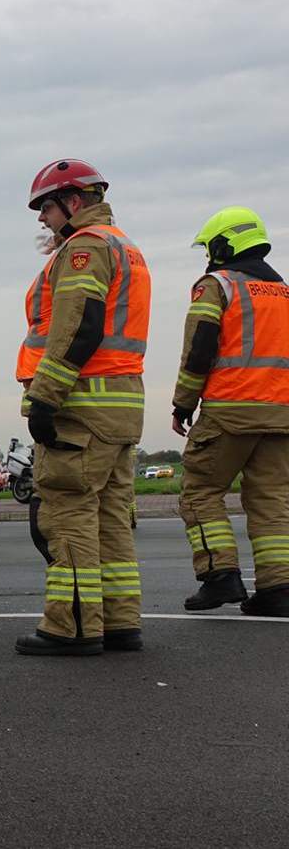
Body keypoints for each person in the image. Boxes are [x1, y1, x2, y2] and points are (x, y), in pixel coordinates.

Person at [13, 159, 150, 655]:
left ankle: (69, 627)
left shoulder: (84, 249)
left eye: (46, 207)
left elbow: (77, 328)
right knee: (111, 519)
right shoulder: (125, 247)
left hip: (80, 406)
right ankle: (118, 622)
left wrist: (44, 399)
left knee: (67, 514)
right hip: (121, 406)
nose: (42, 219)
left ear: (72, 202)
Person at [172, 207, 289, 617]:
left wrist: (182, 404)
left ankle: (219, 576)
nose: (209, 255)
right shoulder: (285, 292)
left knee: (201, 491)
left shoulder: (217, 286)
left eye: (210, 247)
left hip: (231, 410)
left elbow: (200, 349)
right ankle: (278, 589)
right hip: (281, 416)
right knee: (272, 500)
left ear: (224, 244)